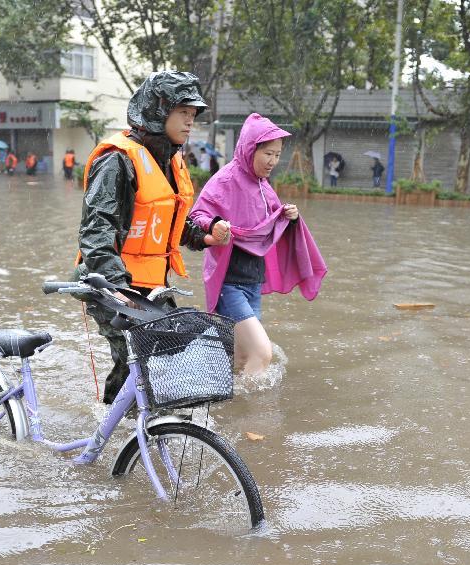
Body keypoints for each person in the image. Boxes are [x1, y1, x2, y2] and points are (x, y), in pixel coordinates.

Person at [74, 70, 229, 404]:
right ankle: (113, 434)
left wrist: (204, 237)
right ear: (160, 110)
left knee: (170, 353)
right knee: (134, 362)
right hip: (111, 282)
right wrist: (115, 285)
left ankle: (143, 428)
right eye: (183, 113)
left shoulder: (171, 161)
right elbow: (96, 228)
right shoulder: (118, 159)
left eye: (193, 116)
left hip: (153, 284)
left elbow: (171, 223)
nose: (190, 123)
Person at [189, 113, 328, 375]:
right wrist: (215, 224)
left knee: (241, 359)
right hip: (228, 283)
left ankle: (232, 410)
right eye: (268, 154)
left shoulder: (264, 186)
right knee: (262, 353)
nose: (273, 161)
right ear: (250, 148)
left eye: (277, 155)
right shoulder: (225, 179)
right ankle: (256, 414)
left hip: (253, 282)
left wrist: (291, 217)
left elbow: (273, 224)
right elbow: (196, 216)